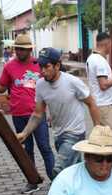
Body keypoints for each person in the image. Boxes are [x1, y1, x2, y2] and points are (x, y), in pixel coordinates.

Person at [16, 48, 102, 177]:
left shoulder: (72, 82)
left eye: (47, 67)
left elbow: (91, 103)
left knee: (58, 171)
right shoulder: (40, 85)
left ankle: (57, 194)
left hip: (75, 133)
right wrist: (25, 133)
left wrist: (98, 129)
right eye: (41, 67)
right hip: (58, 135)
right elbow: (38, 114)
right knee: (74, 172)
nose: (43, 71)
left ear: (57, 65)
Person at [0, 34, 55, 193]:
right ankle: (32, 181)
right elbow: (1, 88)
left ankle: (55, 180)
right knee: (26, 150)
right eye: (17, 49)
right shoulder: (9, 67)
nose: (19, 52)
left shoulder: (39, 65)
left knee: (45, 147)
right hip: (18, 115)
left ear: (29, 50)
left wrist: (52, 111)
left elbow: (50, 87)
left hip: (37, 115)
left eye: (22, 49)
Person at [87, 32, 112, 131]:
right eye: (110, 45)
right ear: (106, 44)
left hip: (98, 103)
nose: (110, 48)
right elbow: (103, 85)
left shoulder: (92, 58)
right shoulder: (99, 61)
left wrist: (111, 75)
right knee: (108, 140)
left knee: (101, 139)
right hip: (104, 105)